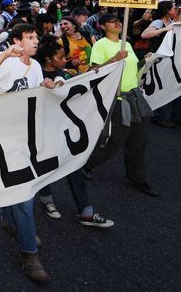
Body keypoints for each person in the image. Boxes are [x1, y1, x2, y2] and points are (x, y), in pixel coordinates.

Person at [0, 23, 54, 282]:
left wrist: (46, 84)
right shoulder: (5, 58)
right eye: (30, 37)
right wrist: (3, 57)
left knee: (17, 187)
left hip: (26, 136)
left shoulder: (37, 66)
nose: (35, 41)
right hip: (2, 135)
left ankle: (13, 223)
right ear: (18, 40)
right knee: (24, 193)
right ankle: (29, 253)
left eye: (36, 37)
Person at [33, 38, 114, 228]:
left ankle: (86, 211)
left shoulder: (65, 73)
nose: (64, 59)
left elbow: (87, 80)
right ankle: (47, 199)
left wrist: (114, 61)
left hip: (65, 129)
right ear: (48, 59)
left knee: (74, 165)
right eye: (60, 57)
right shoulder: (37, 75)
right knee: (46, 167)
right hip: (44, 131)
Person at [86, 13, 159, 197]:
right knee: (114, 140)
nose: (118, 23)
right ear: (102, 26)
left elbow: (132, 68)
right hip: (117, 98)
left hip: (134, 96)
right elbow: (93, 71)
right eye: (112, 21)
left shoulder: (125, 43)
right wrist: (114, 59)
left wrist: (146, 60)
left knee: (139, 140)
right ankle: (85, 165)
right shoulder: (100, 45)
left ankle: (137, 178)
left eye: (118, 20)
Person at [141, 1, 181, 128]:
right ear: (167, 10)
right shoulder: (158, 22)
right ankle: (159, 117)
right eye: (173, 8)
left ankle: (179, 116)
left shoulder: (171, 22)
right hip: (160, 61)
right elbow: (145, 34)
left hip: (172, 61)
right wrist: (165, 29)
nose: (175, 9)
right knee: (162, 88)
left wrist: (179, 17)